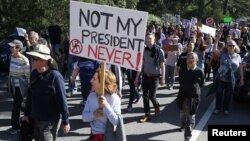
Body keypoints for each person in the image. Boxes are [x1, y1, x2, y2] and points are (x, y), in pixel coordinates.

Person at [23, 44, 70, 141]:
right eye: (32, 57)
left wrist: (66, 121)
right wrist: (26, 114)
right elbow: (30, 95)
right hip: (35, 118)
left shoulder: (55, 76)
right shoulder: (34, 74)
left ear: (44, 60)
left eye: (35, 58)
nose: (32, 60)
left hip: (49, 121)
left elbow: (62, 100)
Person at [82, 69, 122, 141]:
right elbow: (84, 117)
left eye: (94, 79)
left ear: (102, 83)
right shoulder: (91, 96)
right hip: (93, 136)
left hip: (108, 136)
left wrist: (106, 105)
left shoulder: (114, 98)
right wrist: (93, 114)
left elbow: (116, 121)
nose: (91, 81)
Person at [135, 33, 165, 123]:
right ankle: (147, 115)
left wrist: (162, 78)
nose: (148, 40)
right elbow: (141, 64)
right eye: (147, 38)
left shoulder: (159, 51)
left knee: (152, 96)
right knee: (145, 97)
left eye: (150, 38)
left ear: (154, 39)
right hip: (145, 76)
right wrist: (137, 77)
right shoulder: (144, 50)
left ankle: (157, 106)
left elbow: (162, 66)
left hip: (155, 77)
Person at [176, 52, 204, 141]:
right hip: (182, 96)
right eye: (188, 58)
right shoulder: (183, 69)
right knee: (182, 114)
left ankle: (187, 137)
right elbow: (180, 80)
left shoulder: (200, 71)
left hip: (193, 98)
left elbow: (202, 84)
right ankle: (183, 124)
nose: (190, 60)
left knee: (190, 117)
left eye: (192, 58)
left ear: (196, 61)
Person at [213, 35, 244, 115]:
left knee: (228, 95)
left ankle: (226, 109)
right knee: (219, 92)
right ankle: (217, 108)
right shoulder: (223, 53)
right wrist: (216, 40)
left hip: (231, 80)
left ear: (235, 47)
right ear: (226, 46)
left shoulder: (238, 56)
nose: (231, 47)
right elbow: (214, 50)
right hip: (221, 78)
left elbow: (240, 68)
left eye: (233, 45)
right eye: (229, 45)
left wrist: (242, 79)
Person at [7, 40, 30, 134]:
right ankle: (24, 121)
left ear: (18, 48)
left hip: (21, 87)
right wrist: (8, 81)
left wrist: (29, 89)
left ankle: (15, 127)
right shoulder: (11, 57)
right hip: (12, 85)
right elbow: (10, 71)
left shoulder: (25, 60)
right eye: (10, 46)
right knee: (19, 105)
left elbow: (27, 76)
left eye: (12, 47)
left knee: (16, 106)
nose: (10, 48)